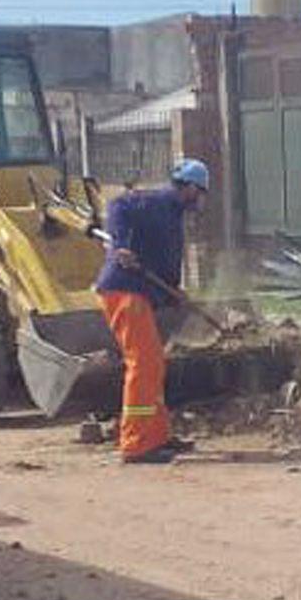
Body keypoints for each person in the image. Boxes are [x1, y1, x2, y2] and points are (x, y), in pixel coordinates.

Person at [94, 159, 210, 464]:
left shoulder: (173, 214)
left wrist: (173, 293)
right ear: (191, 188)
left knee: (153, 364)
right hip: (124, 289)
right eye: (201, 192)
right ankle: (135, 443)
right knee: (142, 364)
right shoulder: (157, 201)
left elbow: (161, 263)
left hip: (140, 293)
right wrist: (120, 245)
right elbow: (117, 205)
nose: (202, 200)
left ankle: (156, 437)